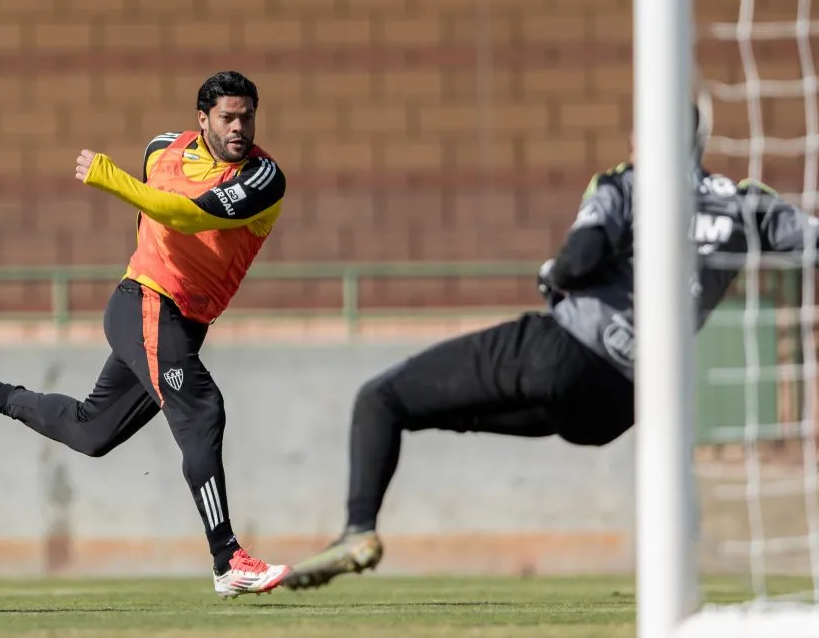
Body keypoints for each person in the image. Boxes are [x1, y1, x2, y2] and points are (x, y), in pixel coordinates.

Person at [282, 105, 819, 590]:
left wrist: (554, 274)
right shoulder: (742, 204)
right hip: (622, 405)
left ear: (643, 138)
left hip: (562, 355)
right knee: (459, 412)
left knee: (382, 399)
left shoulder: (625, 186)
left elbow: (581, 255)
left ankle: (357, 531)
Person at [0, 70, 291, 598]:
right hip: (144, 303)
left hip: (181, 323)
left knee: (92, 433)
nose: (240, 127)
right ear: (203, 119)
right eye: (228, 117)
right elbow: (155, 218)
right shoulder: (163, 148)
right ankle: (228, 559)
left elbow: (186, 217)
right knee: (202, 408)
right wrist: (149, 266)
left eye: (248, 116)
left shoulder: (262, 177)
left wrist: (110, 178)